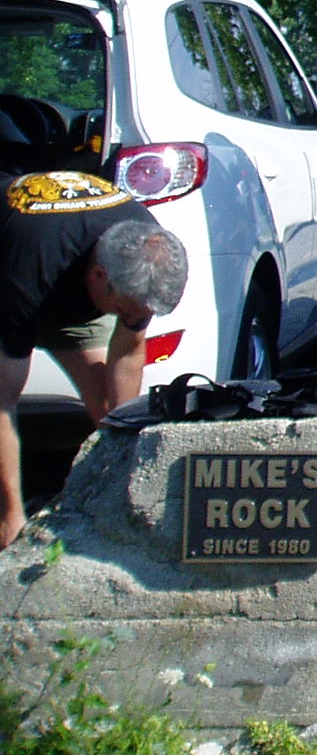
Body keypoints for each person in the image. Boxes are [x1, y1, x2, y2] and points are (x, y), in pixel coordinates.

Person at [0, 170, 188, 546]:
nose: (130, 319)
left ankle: (115, 494)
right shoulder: (32, 262)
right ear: (99, 276)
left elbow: (128, 352)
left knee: (108, 412)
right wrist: (11, 515)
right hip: (13, 270)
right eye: (123, 311)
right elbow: (2, 403)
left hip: (70, 281)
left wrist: (123, 448)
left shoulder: (146, 251)